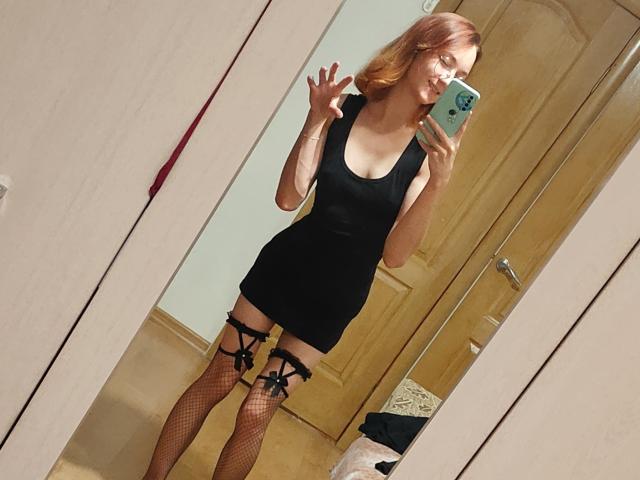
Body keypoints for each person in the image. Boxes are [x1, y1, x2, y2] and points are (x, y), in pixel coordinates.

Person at [142, 11, 482, 480]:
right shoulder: (346, 109)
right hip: (287, 265)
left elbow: (396, 256)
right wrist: (315, 120)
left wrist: (438, 182)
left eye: (460, 76)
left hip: (337, 296)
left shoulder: (425, 156)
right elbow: (289, 198)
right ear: (418, 48)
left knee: (256, 411)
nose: (447, 80)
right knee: (219, 376)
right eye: (445, 61)